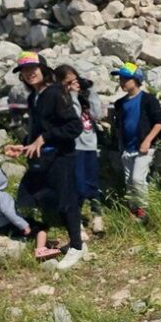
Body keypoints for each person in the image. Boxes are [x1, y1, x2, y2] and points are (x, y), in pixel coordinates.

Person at [3, 51, 87, 269]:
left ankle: (77, 247)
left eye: (33, 68)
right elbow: (39, 131)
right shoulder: (34, 97)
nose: (29, 73)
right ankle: (54, 242)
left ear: (44, 70)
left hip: (61, 157)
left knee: (67, 201)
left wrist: (44, 138)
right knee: (32, 198)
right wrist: (24, 146)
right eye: (24, 70)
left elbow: (74, 126)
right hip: (43, 158)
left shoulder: (56, 92)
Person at [111, 63, 161, 223]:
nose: (122, 82)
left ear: (136, 80)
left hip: (144, 148)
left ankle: (143, 211)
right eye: (120, 79)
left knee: (137, 179)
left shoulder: (148, 99)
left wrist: (147, 140)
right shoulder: (119, 103)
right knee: (129, 182)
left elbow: (159, 123)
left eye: (126, 79)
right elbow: (119, 125)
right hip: (127, 149)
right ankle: (134, 210)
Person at [55, 65, 104, 234]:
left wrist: (91, 91)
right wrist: (73, 95)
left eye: (76, 81)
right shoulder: (62, 99)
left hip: (90, 146)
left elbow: (97, 115)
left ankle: (97, 216)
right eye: (69, 82)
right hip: (74, 147)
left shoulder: (84, 98)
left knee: (92, 183)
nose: (75, 85)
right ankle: (76, 222)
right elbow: (74, 118)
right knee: (78, 186)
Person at [0, 167, 60, 259]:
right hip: (8, 225)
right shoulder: (2, 197)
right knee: (40, 227)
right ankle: (41, 249)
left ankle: (45, 242)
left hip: (0, 228)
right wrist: (24, 225)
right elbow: (10, 213)